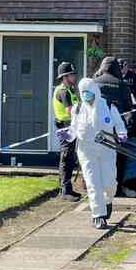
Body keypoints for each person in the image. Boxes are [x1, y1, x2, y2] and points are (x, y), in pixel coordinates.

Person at [71, 78, 127, 229]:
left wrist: (122, 133)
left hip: (107, 150)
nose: (86, 96)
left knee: (109, 183)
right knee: (93, 183)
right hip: (86, 151)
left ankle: (108, 200)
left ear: (95, 91)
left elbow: (119, 124)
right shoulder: (77, 108)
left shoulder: (107, 106)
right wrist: (67, 134)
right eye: (83, 93)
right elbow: (73, 130)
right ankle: (98, 214)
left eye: (88, 93)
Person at [53, 62, 81, 202]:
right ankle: (65, 190)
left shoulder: (69, 89)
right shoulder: (63, 91)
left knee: (69, 157)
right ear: (65, 77)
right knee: (66, 157)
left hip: (70, 126)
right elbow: (69, 110)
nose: (74, 76)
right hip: (65, 126)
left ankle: (65, 188)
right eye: (71, 74)